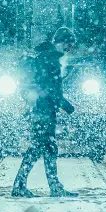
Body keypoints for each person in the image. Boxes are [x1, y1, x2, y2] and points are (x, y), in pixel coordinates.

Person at [11, 27, 78, 199]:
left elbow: (45, 84)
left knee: (48, 148)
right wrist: (67, 105)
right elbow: (51, 89)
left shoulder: (44, 56)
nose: (69, 48)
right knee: (38, 148)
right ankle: (21, 186)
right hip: (44, 110)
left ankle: (52, 186)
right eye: (68, 44)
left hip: (40, 109)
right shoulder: (50, 59)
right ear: (60, 42)